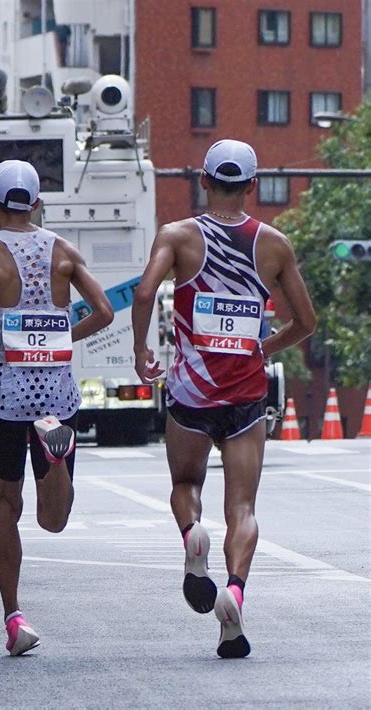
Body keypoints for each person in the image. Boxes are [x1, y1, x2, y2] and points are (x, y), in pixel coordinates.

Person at [132, 139, 316, 658]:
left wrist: (141, 348)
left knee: (185, 482)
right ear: (252, 186)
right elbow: (306, 322)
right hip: (245, 397)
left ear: (204, 181)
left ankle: (192, 535)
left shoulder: (179, 235)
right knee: (242, 506)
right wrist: (262, 345)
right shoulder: (274, 245)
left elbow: (145, 293)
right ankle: (234, 594)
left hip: (191, 391)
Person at [0, 160, 113, 656]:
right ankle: (54, 457)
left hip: (8, 397)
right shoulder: (64, 250)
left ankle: (14, 618)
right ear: (36, 203)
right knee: (53, 519)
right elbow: (104, 311)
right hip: (58, 395)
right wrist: (62, 337)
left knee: (3, 501)